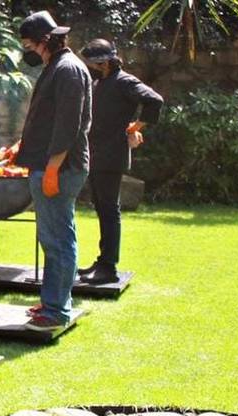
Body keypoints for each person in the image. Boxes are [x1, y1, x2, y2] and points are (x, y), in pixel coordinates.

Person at [13, 11, 92, 332]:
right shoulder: (58, 66)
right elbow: (46, 121)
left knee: (58, 239)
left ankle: (57, 310)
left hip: (59, 168)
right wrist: (21, 148)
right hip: (52, 165)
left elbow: (68, 126)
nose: (27, 50)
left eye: (29, 44)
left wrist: (51, 170)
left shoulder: (68, 70)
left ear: (45, 41)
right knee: (54, 237)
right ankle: (52, 301)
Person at [79, 38, 163, 284]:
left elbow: (154, 100)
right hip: (96, 154)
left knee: (109, 210)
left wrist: (135, 126)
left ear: (102, 62)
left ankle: (108, 267)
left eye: (92, 62)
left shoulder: (124, 81)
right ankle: (103, 260)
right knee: (102, 208)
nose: (89, 66)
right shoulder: (102, 82)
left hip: (111, 155)